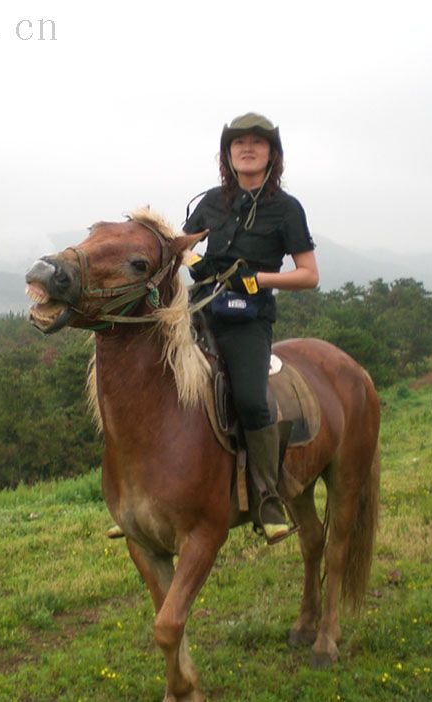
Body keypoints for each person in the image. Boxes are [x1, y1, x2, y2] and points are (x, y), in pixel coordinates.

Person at [183, 112, 319, 543]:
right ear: (227, 154)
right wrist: (191, 261)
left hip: (248, 318)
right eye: (238, 142)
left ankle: (266, 497)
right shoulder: (210, 201)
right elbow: (180, 248)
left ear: (271, 154)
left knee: (250, 399)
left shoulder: (286, 209)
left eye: (257, 143)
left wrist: (262, 279)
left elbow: (308, 274)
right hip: (199, 310)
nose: (247, 148)